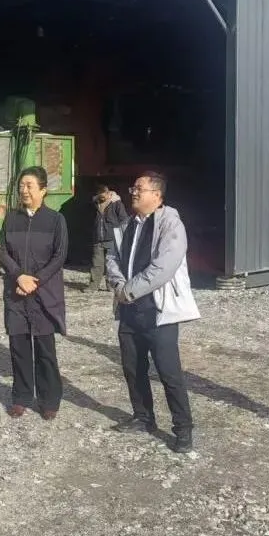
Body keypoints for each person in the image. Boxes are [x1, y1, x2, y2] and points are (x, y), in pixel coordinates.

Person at [104, 171, 200, 453]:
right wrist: (119, 286)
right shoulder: (128, 224)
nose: (133, 192)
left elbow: (164, 267)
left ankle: (183, 429)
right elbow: (113, 257)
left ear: (157, 196)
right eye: (133, 188)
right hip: (129, 310)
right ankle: (143, 417)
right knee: (133, 368)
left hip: (158, 311)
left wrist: (129, 290)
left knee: (169, 373)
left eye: (140, 189)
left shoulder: (171, 224)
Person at [0, 166, 69, 420]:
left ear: (43, 190)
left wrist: (34, 282)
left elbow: (59, 256)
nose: (24, 190)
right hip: (16, 293)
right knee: (19, 348)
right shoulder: (12, 218)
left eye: (29, 185)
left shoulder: (55, 220)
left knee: (45, 350)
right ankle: (21, 397)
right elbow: (2, 251)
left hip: (44, 294)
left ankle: (49, 400)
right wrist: (19, 276)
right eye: (21, 186)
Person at [89, 185, 128, 292]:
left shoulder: (116, 203)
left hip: (112, 239)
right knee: (96, 264)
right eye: (99, 197)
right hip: (98, 238)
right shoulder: (95, 203)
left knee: (111, 263)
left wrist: (119, 234)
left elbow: (124, 219)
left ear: (108, 193)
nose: (101, 198)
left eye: (103, 197)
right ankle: (93, 286)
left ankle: (111, 285)